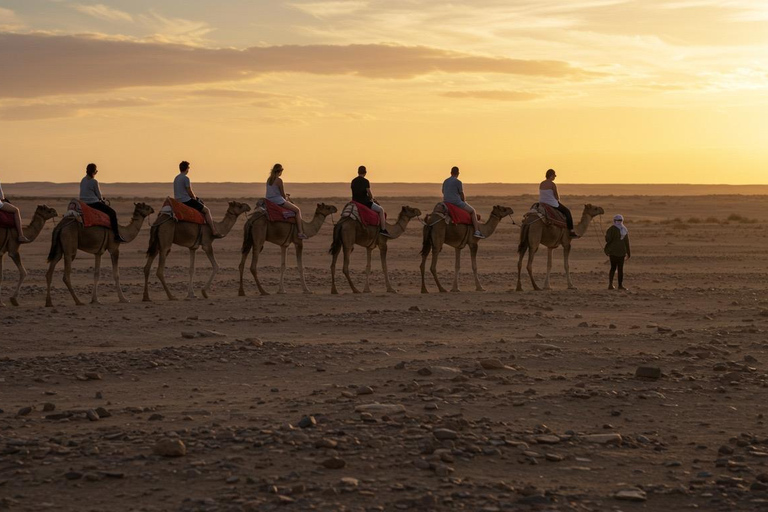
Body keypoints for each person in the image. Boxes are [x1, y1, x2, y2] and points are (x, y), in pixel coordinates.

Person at [174, 161, 222, 237]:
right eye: (188, 168)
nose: (188, 169)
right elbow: (189, 191)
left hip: (178, 201)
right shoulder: (186, 178)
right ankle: (213, 231)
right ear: (186, 169)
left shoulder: (176, 178)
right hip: (186, 201)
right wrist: (194, 198)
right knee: (206, 210)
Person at [79, 163, 125, 242]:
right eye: (96, 171)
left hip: (83, 203)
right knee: (112, 213)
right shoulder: (94, 181)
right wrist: (102, 200)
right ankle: (116, 236)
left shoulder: (83, 180)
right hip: (93, 203)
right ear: (95, 172)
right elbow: (99, 195)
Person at [265, 163, 307, 239]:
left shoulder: (269, 179)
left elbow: (273, 192)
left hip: (269, 200)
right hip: (278, 201)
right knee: (297, 210)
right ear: (280, 171)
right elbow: (282, 195)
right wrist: (287, 197)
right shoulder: (279, 180)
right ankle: (300, 232)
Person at [442, 166, 484, 238]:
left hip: (446, 202)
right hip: (456, 202)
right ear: (458, 173)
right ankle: (477, 231)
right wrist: (464, 202)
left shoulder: (445, 181)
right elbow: (461, 194)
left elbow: (443, 192)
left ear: (451, 173)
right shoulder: (458, 182)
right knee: (472, 211)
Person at [351, 165, 390, 237]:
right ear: (365, 173)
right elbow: (369, 193)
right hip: (365, 203)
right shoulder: (365, 181)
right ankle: (383, 229)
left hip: (355, 202)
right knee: (381, 210)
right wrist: (372, 199)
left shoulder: (353, 181)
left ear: (358, 172)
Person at [539, 168, 578, 238]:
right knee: (567, 212)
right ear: (551, 176)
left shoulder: (541, 183)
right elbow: (556, 196)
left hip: (542, 202)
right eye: (554, 176)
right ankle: (571, 231)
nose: (554, 177)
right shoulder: (552, 184)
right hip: (552, 203)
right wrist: (557, 200)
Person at [605, 214, 631, 290]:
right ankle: (620, 285)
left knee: (613, 268)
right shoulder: (624, 229)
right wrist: (629, 253)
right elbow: (627, 242)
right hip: (621, 252)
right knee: (620, 269)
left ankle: (610, 285)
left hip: (613, 252)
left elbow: (607, 240)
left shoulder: (611, 229)